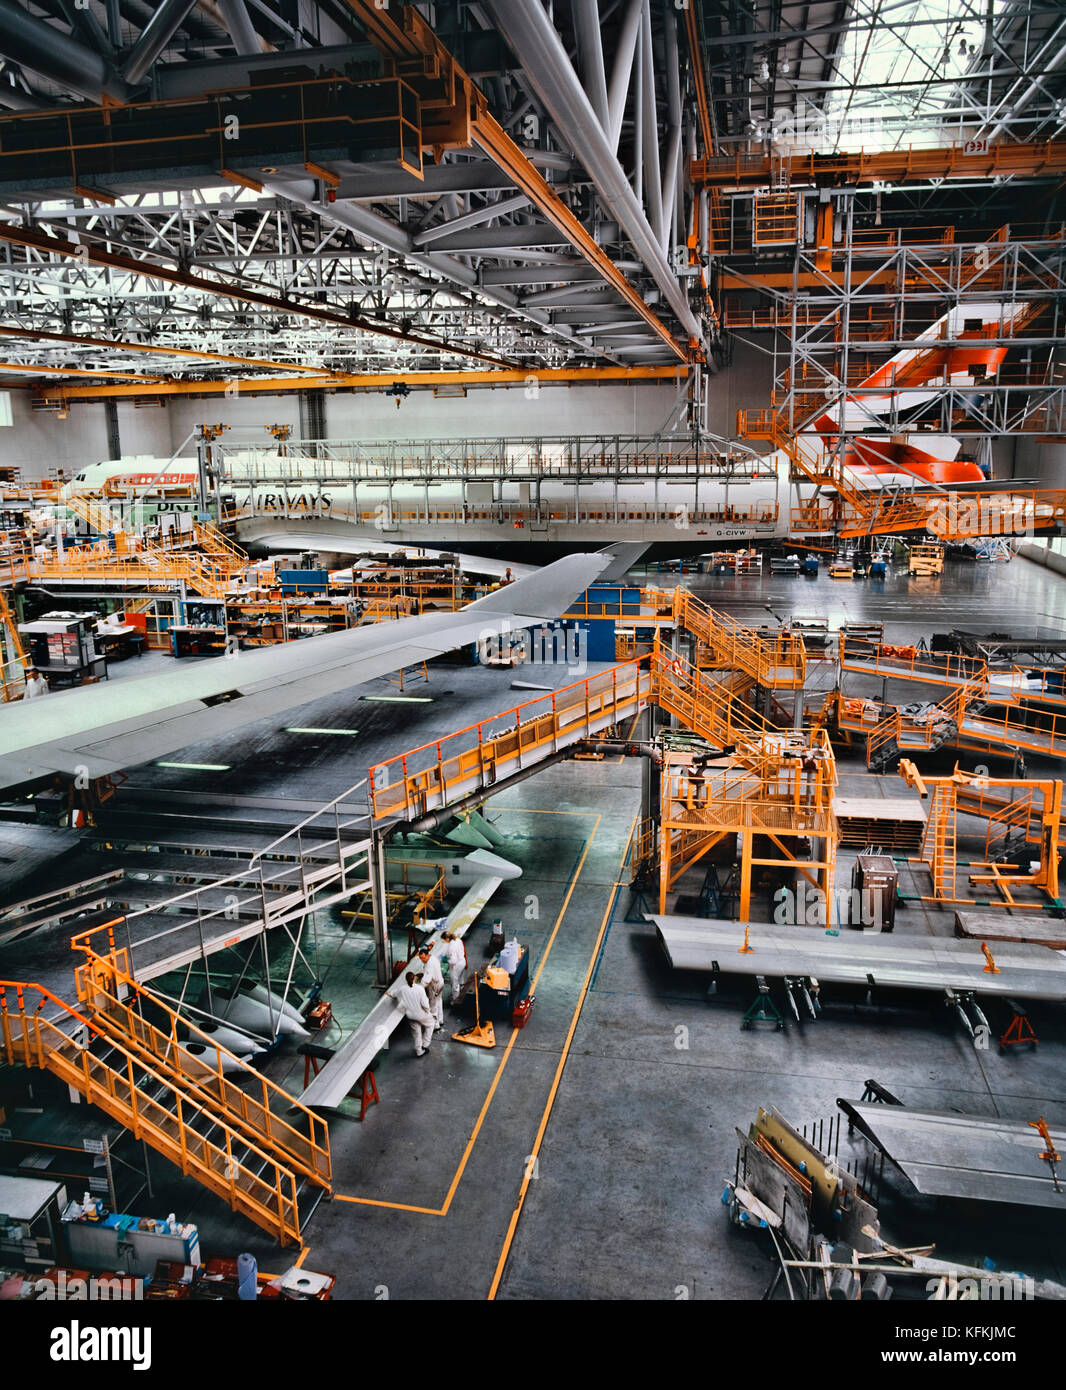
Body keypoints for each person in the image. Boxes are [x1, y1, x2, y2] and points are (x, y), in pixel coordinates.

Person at [394, 971, 435, 1057]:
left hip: (410, 1016)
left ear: (406, 980)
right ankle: (425, 1044)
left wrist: (389, 993)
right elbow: (425, 1003)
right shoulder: (419, 988)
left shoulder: (402, 988)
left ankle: (419, 1051)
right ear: (414, 979)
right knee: (431, 1024)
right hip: (421, 1014)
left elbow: (395, 994)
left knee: (416, 1033)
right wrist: (428, 1010)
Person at [416, 944, 445, 1030]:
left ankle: (435, 1025)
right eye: (420, 958)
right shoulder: (433, 958)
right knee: (439, 1001)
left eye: (423, 958)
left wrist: (419, 988)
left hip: (434, 986)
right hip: (440, 982)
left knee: (433, 1005)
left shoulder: (429, 964)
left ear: (427, 955)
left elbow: (427, 980)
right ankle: (440, 1020)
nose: (422, 960)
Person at [440, 930, 467, 1006]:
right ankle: (462, 992)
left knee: (455, 983)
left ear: (447, 939)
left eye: (444, 940)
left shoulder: (451, 947)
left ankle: (456, 1000)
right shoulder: (458, 940)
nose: (445, 941)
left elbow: (453, 961)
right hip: (462, 962)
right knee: (461, 979)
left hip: (456, 966)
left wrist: (446, 960)